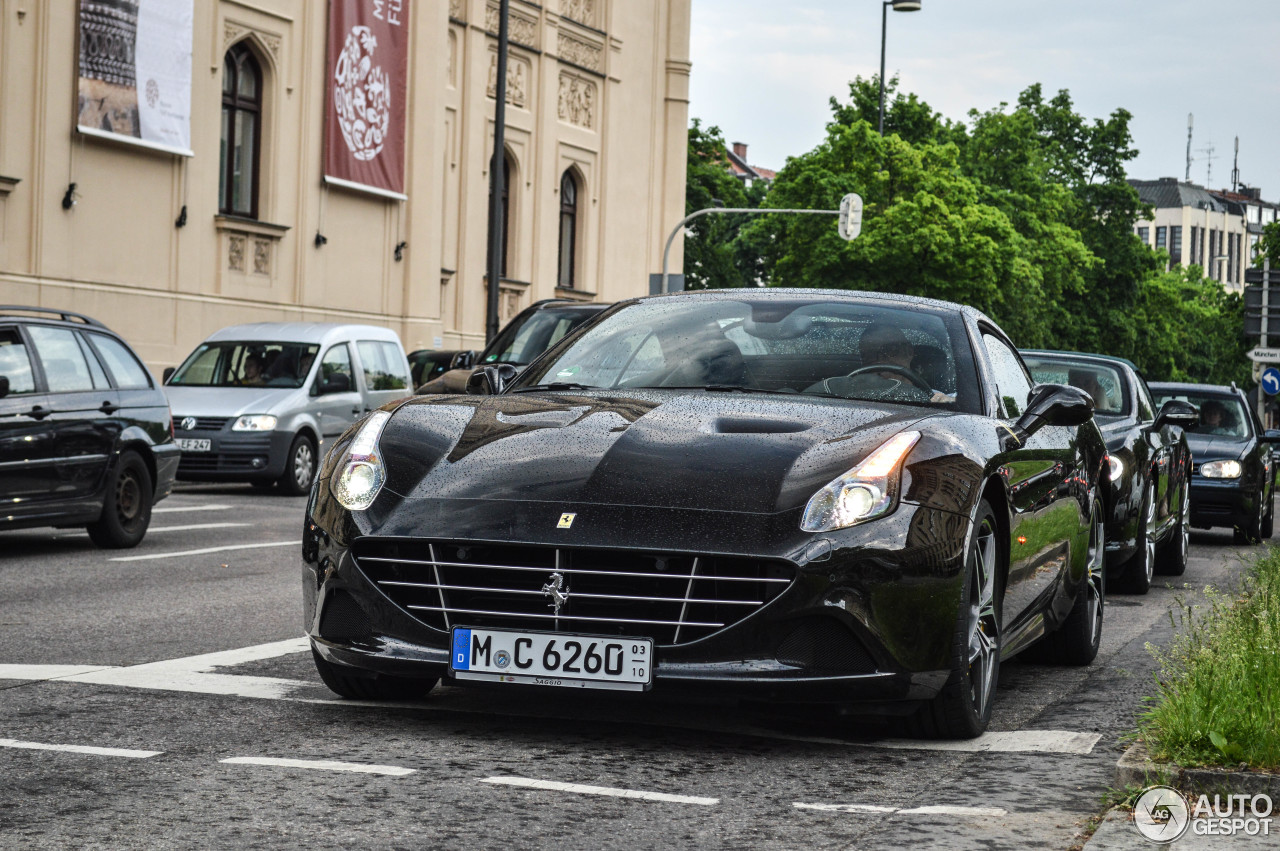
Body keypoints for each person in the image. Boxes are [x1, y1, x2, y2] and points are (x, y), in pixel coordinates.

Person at [807, 322, 953, 403]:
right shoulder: (847, 398)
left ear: (909, 351)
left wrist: (947, 403)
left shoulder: (936, 399)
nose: (879, 360)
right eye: (869, 355)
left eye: (890, 350)